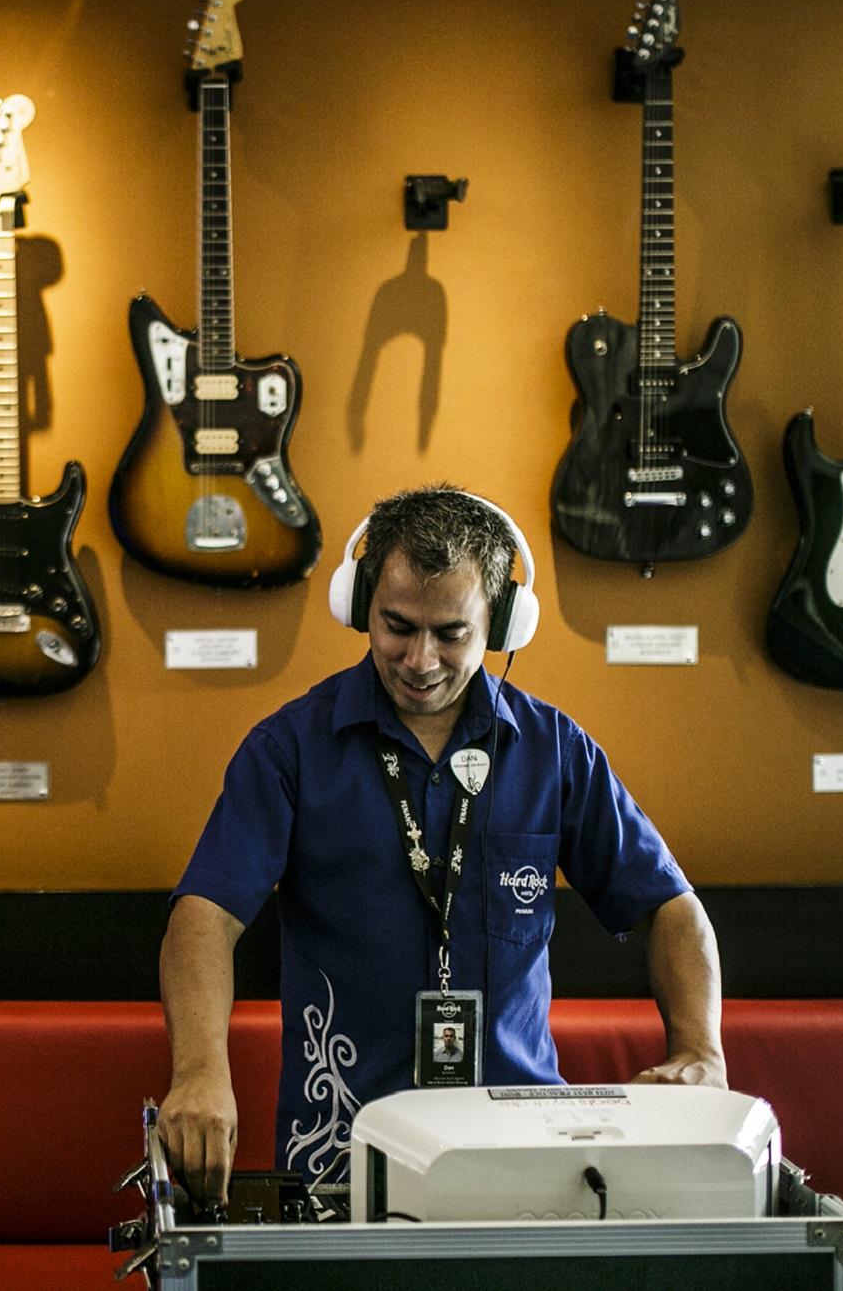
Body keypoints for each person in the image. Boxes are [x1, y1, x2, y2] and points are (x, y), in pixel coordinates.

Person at [157, 484, 725, 1201]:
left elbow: (670, 906)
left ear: (503, 623)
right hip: (340, 1149)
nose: (419, 659)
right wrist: (201, 1070)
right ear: (360, 603)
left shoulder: (556, 751)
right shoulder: (288, 749)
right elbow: (204, 914)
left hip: (525, 1149)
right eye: (397, 625)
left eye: (450, 633)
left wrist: (700, 1050)